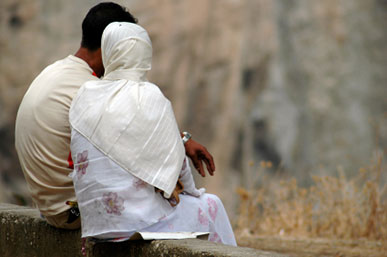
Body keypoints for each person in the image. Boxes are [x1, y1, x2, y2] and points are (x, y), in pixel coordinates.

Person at [15, 2, 215, 230]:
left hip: (50, 210)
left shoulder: (55, 72)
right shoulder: (90, 91)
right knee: (196, 203)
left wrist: (182, 139)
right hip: (74, 213)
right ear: (109, 45)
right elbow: (143, 147)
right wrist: (180, 146)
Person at [69, 21, 236, 246]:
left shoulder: (85, 94)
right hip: (136, 222)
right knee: (211, 205)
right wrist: (194, 192)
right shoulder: (148, 95)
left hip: (96, 225)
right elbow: (176, 161)